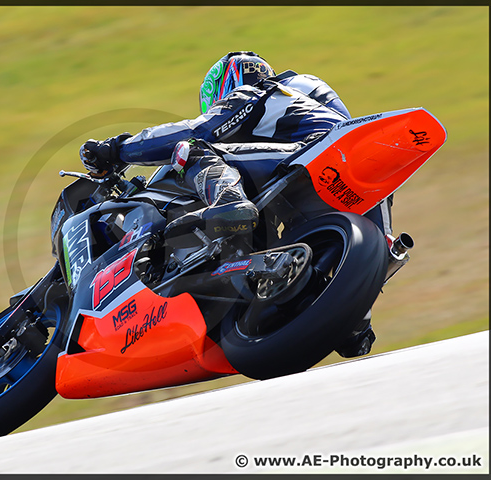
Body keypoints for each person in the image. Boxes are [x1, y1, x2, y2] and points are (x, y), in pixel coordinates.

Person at [79, 51, 381, 357]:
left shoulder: (256, 92)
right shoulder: (301, 104)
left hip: (312, 155)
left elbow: (196, 131)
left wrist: (116, 150)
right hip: (351, 182)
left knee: (189, 148)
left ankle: (229, 200)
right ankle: (353, 322)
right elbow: (370, 241)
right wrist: (354, 309)